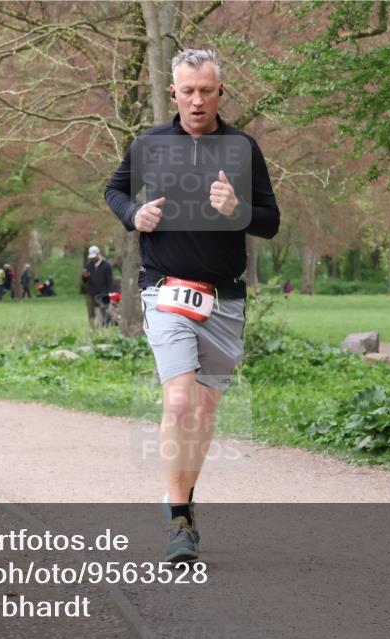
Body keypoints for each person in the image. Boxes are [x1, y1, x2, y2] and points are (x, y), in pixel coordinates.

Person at [104, 48, 280, 562]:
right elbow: (114, 190)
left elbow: (270, 221)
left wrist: (238, 209)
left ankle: (183, 498)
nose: (197, 100)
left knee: (202, 413)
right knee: (178, 402)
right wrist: (134, 215)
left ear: (220, 92)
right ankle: (179, 520)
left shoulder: (243, 149)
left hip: (224, 298)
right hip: (165, 290)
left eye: (206, 90)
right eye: (187, 91)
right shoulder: (151, 144)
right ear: (173, 93)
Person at [82, 245, 113, 327]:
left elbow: (109, 281)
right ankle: (92, 327)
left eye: (94, 256)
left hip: (102, 293)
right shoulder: (88, 265)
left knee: (102, 311)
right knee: (90, 312)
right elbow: (84, 281)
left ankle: (103, 326)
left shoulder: (106, 265)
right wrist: (84, 277)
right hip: (91, 292)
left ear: (98, 254)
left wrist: (107, 293)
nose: (92, 259)